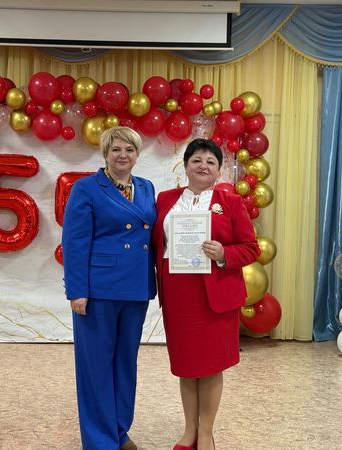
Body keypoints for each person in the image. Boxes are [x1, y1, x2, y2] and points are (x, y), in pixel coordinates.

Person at [152, 138, 259, 450]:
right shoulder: (165, 200)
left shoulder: (230, 202)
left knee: (211, 365)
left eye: (211, 162)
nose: (203, 166)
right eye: (196, 160)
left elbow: (251, 248)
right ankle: (189, 431)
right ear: (185, 166)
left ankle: (206, 433)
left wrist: (225, 253)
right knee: (186, 365)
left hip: (215, 295)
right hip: (178, 293)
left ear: (219, 170)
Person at [62, 126, 156, 450]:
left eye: (129, 150)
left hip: (136, 288)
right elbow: (74, 241)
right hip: (98, 291)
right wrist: (77, 290)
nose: (122, 156)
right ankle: (100, 441)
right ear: (105, 154)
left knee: (125, 364)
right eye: (116, 149)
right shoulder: (86, 188)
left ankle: (119, 431)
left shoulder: (146, 187)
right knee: (96, 368)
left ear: (137, 154)